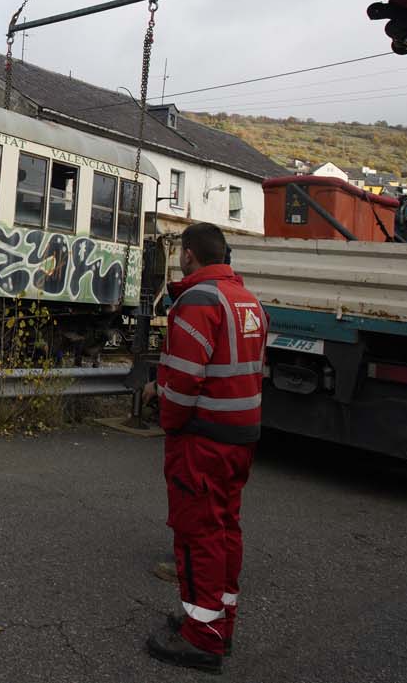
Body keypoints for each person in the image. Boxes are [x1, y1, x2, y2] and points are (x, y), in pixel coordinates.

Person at [144, 222, 266, 674]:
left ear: (190, 254)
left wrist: (168, 422)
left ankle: (202, 637)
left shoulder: (198, 300)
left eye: (180, 251)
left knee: (197, 535)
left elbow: (182, 381)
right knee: (224, 530)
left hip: (203, 440)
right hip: (240, 437)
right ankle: (218, 620)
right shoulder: (246, 299)